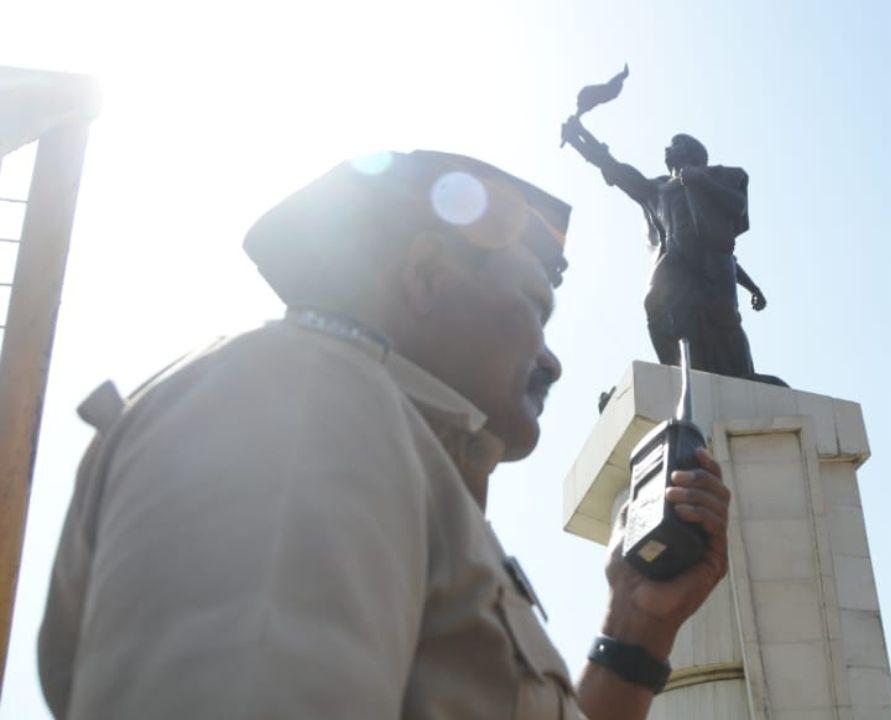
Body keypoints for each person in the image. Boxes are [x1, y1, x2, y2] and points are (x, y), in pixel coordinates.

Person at [38, 150, 732, 719]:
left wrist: (636, 628)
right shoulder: (300, 400)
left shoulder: (388, 458)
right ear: (427, 277)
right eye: (532, 305)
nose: (552, 358)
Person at [561, 118, 783, 386]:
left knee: (725, 319)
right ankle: (674, 373)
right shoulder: (656, 189)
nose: (667, 149)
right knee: (655, 302)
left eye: (675, 144)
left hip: (714, 264)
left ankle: (745, 374)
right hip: (673, 262)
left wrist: (752, 286)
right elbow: (614, 168)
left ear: (691, 152)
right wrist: (579, 137)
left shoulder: (721, 176)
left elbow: (737, 208)